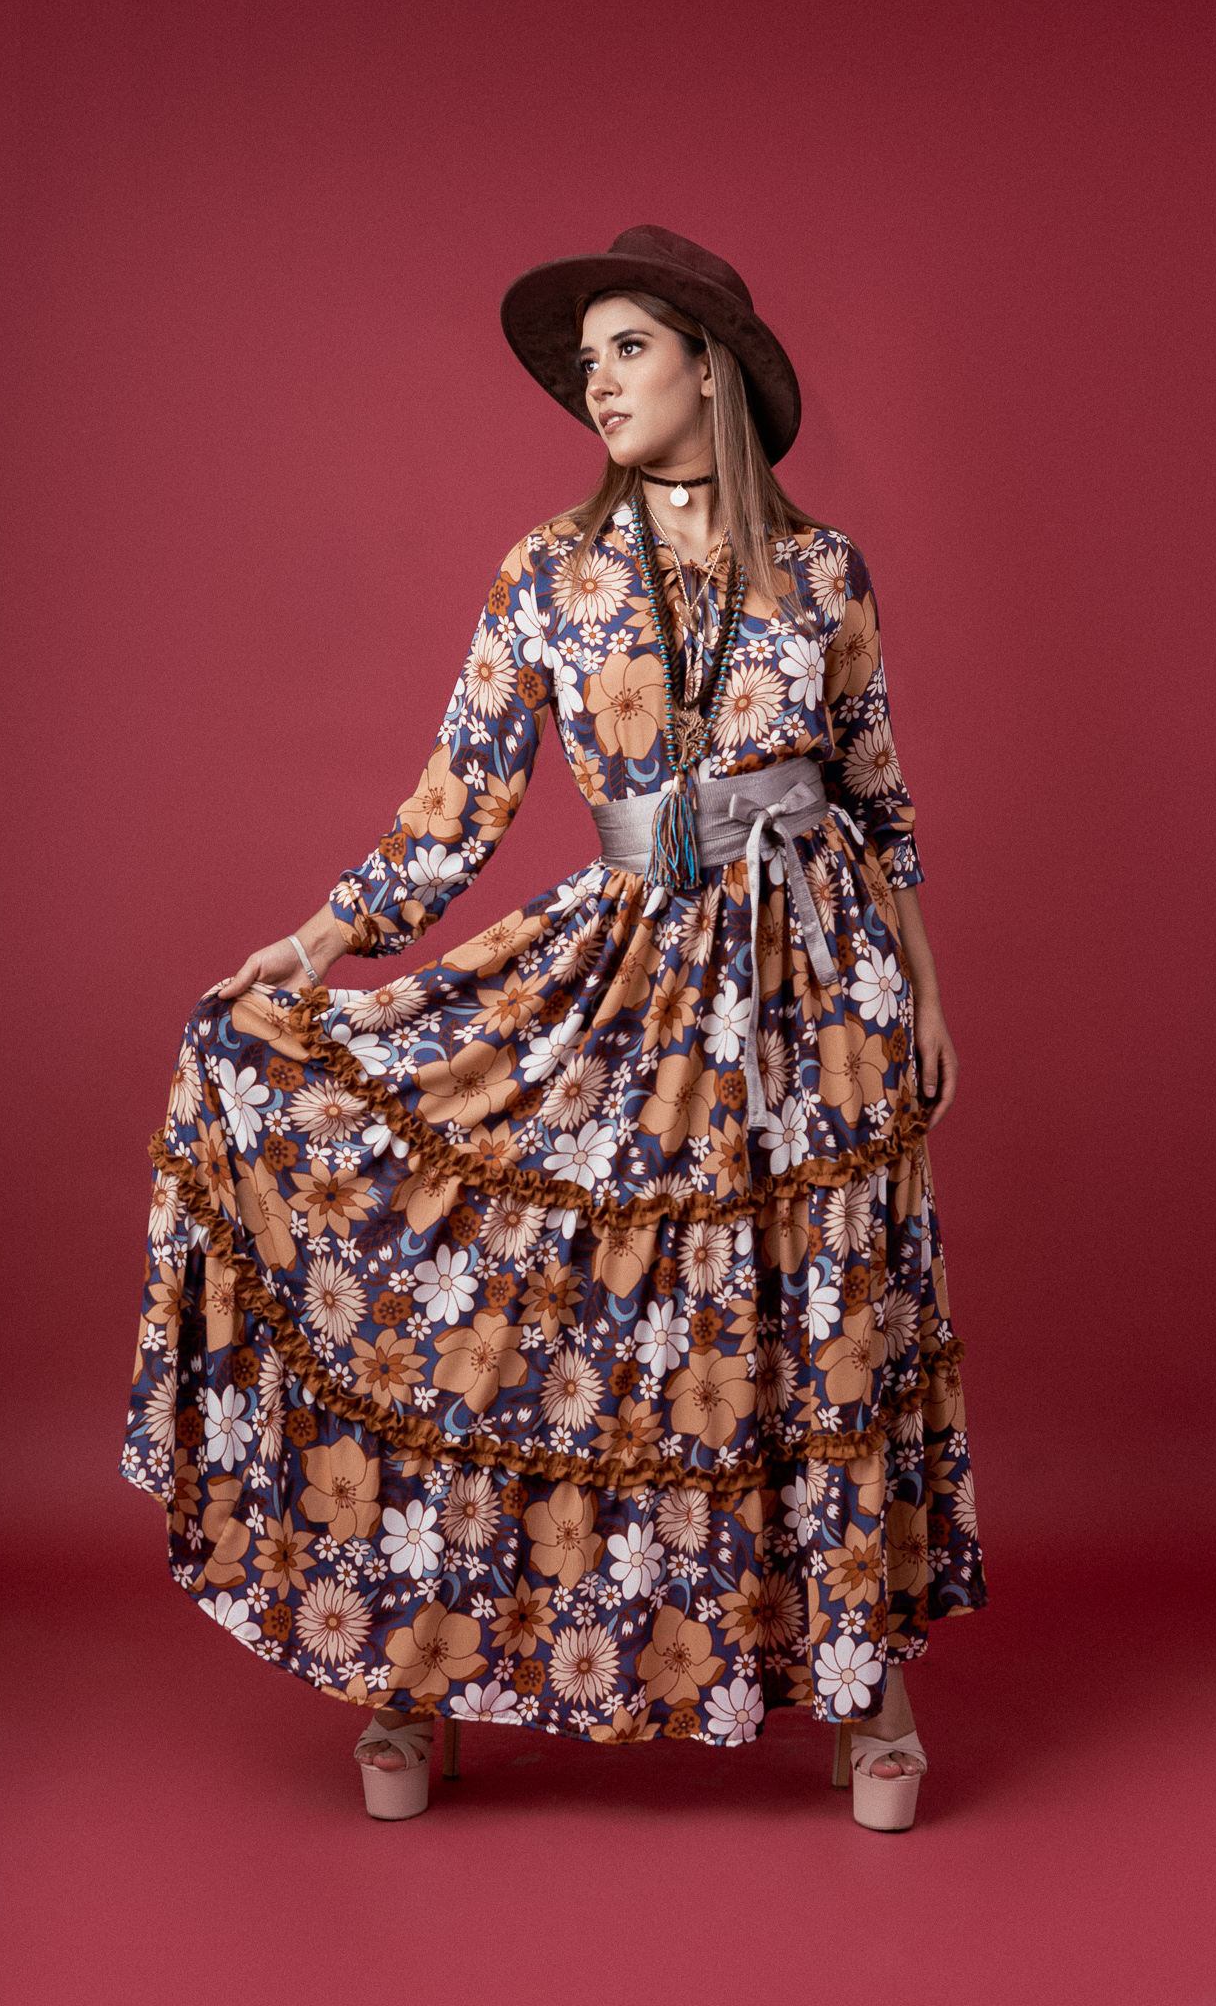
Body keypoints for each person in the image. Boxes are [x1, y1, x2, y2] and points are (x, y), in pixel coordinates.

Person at [122, 223, 986, 1830]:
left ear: (712, 367)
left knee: (819, 1319)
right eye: (587, 361)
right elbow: (457, 805)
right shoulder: (550, 572)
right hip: (628, 977)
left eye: (628, 348)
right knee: (526, 1305)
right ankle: (413, 1662)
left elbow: (879, 798)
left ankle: (865, 1682)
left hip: (819, 993)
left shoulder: (825, 573)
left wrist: (927, 994)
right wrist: (312, 947)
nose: (598, 382)